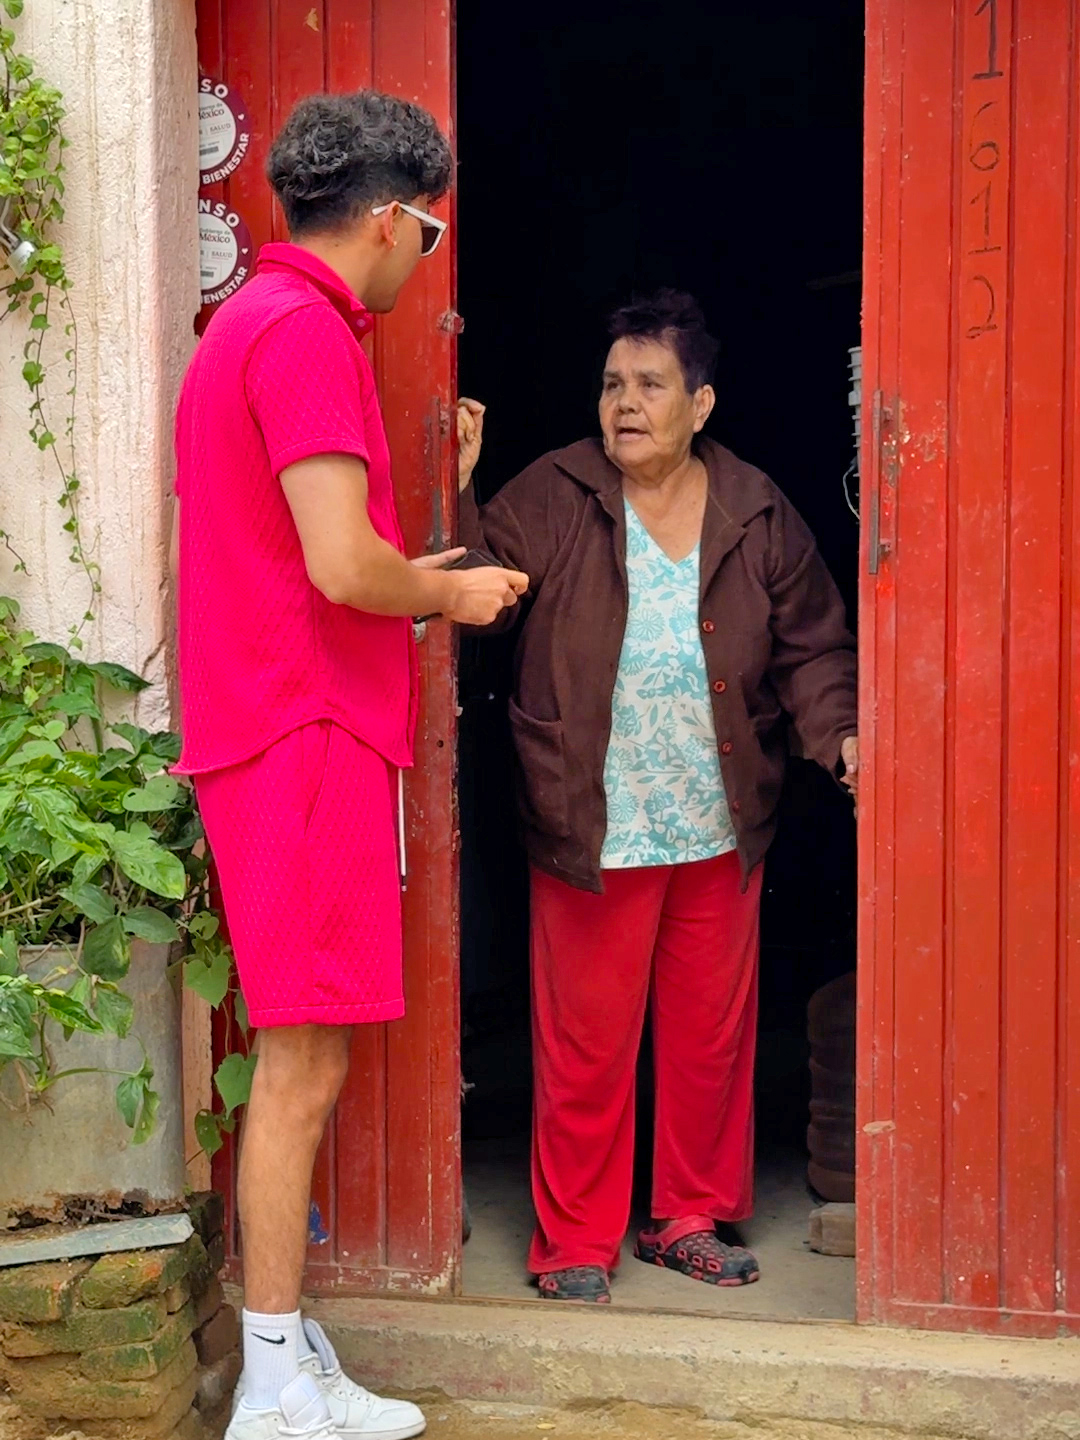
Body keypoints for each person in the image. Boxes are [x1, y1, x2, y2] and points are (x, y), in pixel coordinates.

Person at [172, 92, 527, 1440]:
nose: (422, 252)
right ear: (390, 216)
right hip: (306, 730)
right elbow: (338, 567)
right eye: (427, 232)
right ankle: (271, 1380)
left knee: (300, 1053)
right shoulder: (308, 334)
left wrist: (409, 577)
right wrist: (455, 594)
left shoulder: (244, 325)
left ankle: (281, 1347)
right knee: (304, 1063)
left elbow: (298, 556)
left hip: (281, 721)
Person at [457, 290, 858, 1304]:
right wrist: (458, 496)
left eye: (650, 384)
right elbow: (475, 602)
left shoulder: (756, 508)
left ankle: (686, 1215)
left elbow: (813, 645)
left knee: (708, 1037)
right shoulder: (554, 493)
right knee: (587, 1043)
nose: (625, 403)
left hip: (720, 817)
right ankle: (575, 1240)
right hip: (593, 815)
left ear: (702, 401)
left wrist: (841, 735)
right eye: (612, 384)